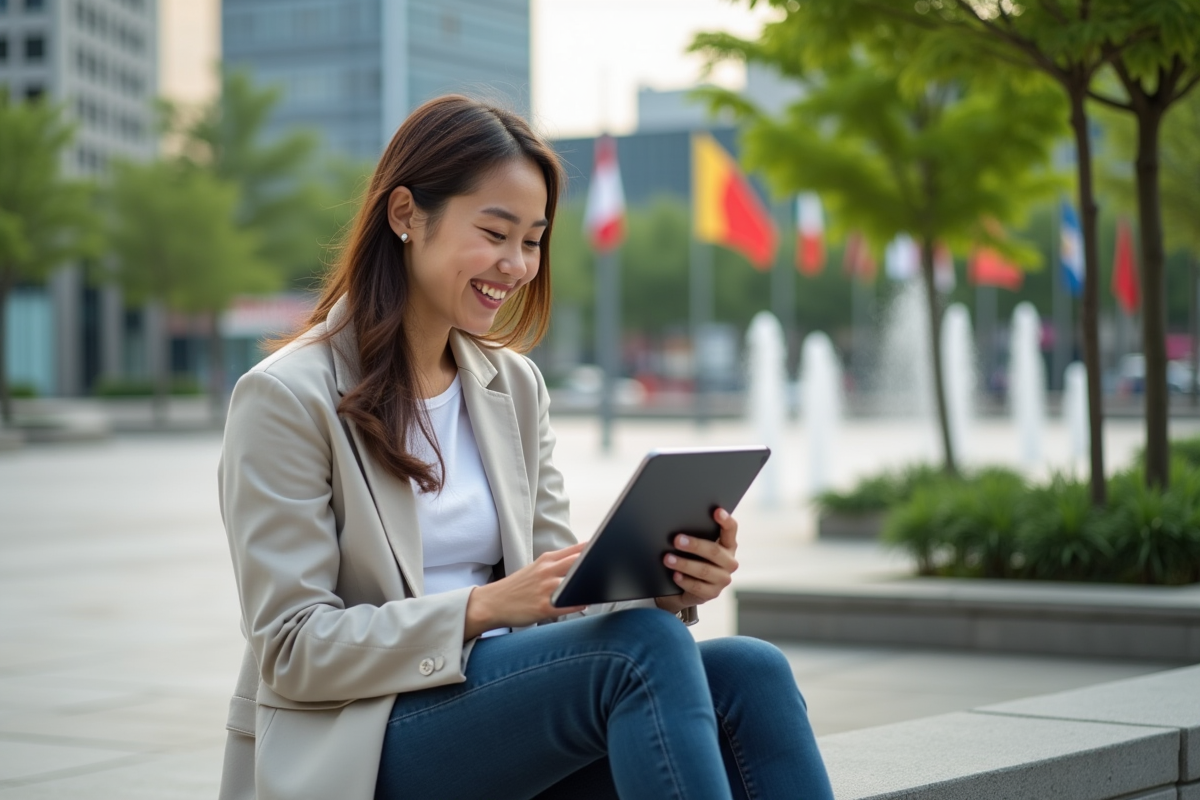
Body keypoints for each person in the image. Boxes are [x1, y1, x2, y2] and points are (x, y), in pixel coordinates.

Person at [216, 95, 833, 800]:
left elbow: (560, 599)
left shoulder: (512, 386)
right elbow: (292, 648)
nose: (516, 265)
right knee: (641, 655)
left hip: (500, 706)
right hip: (362, 739)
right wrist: (481, 608)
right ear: (405, 216)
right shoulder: (287, 397)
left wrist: (665, 586)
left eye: (533, 240)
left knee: (752, 671)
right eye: (495, 232)